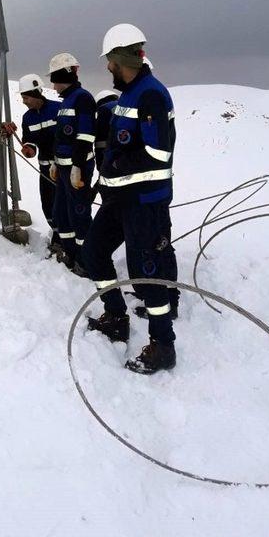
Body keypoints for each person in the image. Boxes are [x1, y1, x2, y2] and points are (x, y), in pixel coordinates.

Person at [83, 23, 179, 374]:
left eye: (110, 61)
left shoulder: (150, 94)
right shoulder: (130, 93)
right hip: (120, 200)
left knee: (145, 272)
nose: (107, 68)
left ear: (122, 58)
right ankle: (116, 316)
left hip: (145, 201)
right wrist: (106, 179)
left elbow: (155, 153)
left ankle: (163, 344)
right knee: (93, 252)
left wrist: (117, 168)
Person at [48, 53, 96, 275]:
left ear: (62, 76)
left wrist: (77, 165)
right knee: (62, 213)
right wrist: (56, 162)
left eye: (54, 79)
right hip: (65, 168)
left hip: (78, 169)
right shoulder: (66, 100)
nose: (53, 85)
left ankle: (87, 260)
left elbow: (85, 136)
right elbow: (62, 137)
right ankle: (70, 253)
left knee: (79, 214)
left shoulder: (82, 98)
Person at [2, 74, 61, 252]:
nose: (24, 101)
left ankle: (65, 241)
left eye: (26, 97)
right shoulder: (28, 118)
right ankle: (57, 236)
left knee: (63, 206)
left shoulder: (59, 109)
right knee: (48, 205)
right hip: (45, 168)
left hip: (63, 167)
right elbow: (30, 142)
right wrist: (29, 149)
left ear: (36, 94)